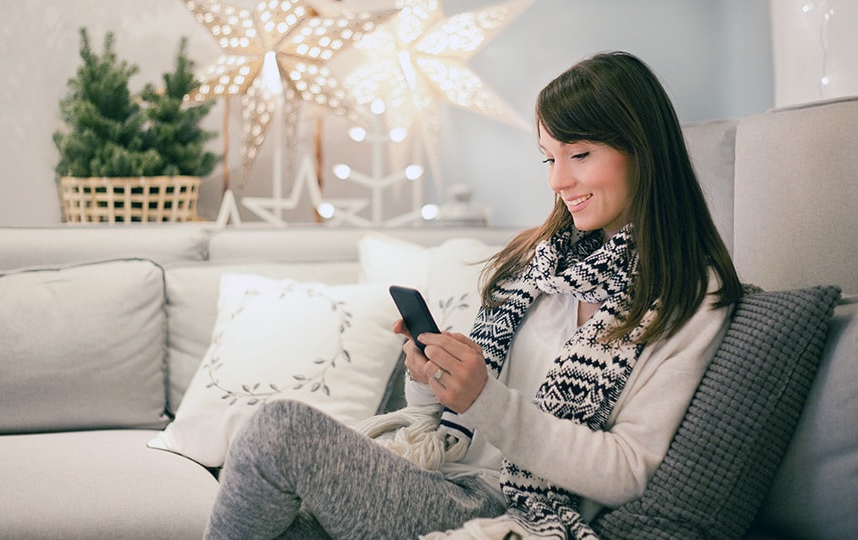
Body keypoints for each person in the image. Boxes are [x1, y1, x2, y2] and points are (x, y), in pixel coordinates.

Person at [203, 51, 742, 539]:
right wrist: (433, 377)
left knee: (280, 430)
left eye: (579, 154)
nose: (557, 180)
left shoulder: (686, 295)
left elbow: (627, 471)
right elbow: (457, 422)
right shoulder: (541, 262)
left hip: (512, 510)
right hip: (451, 478)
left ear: (643, 151)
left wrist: (485, 400)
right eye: (548, 158)